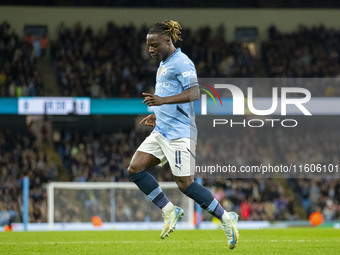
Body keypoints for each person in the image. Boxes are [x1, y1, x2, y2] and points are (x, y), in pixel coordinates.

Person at [127, 20, 239, 249]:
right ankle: (169, 210)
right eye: (149, 45)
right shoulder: (163, 63)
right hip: (162, 130)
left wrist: (162, 101)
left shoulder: (182, 62)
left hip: (180, 133)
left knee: (185, 184)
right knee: (135, 169)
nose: (151, 49)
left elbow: (195, 92)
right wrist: (158, 114)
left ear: (167, 41)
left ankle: (226, 219)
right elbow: (170, 93)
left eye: (154, 45)